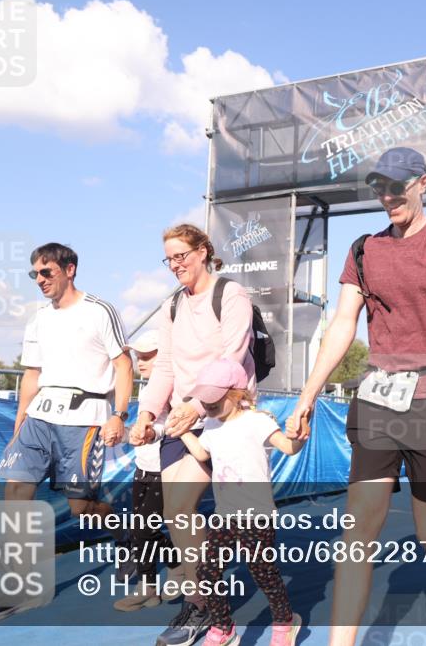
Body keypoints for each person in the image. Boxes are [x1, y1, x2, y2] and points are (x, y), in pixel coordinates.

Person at [287, 147, 426, 646]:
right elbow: (343, 325)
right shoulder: (363, 249)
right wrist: (306, 396)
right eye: (379, 188)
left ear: (422, 183)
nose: (387, 196)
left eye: (396, 186)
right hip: (379, 401)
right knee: (358, 528)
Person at [0, 242, 133, 623]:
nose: (40, 280)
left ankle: (127, 536)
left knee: (83, 510)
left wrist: (119, 414)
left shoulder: (99, 311)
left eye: (46, 272)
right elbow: (32, 375)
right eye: (35, 274)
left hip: (85, 416)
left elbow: (124, 365)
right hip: (40, 416)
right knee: (15, 489)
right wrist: (19, 427)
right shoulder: (38, 320)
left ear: (70, 269)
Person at [128, 223, 256, 646]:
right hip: (182, 419)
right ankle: (204, 605)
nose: (176, 264)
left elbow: (232, 357)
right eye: (169, 258)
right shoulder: (171, 307)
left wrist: (195, 406)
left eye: (182, 254)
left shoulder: (231, 295)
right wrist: (147, 413)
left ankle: (263, 609)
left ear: (203, 252)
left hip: (224, 416)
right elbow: (163, 367)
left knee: (245, 525)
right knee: (177, 511)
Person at [174, 359, 304, 646]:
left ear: (236, 394)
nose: (207, 405)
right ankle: (223, 629)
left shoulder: (258, 421)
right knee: (208, 570)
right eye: (204, 399)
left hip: (256, 515)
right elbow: (202, 453)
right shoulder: (210, 424)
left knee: (262, 571)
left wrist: (299, 438)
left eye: (214, 399)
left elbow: (288, 447)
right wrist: (181, 431)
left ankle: (285, 622)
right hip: (224, 515)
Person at [113, 329, 182, 610]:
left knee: (142, 529)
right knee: (141, 528)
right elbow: (143, 429)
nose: (140, 362)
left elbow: (174, 425)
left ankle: (175, 567)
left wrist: (152, 433)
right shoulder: (146, 387)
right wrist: (125, 433)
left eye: (148, 356)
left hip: (165, 469)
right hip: (143, 467)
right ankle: (150, 586)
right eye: (138, 356)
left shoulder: (173, 387)